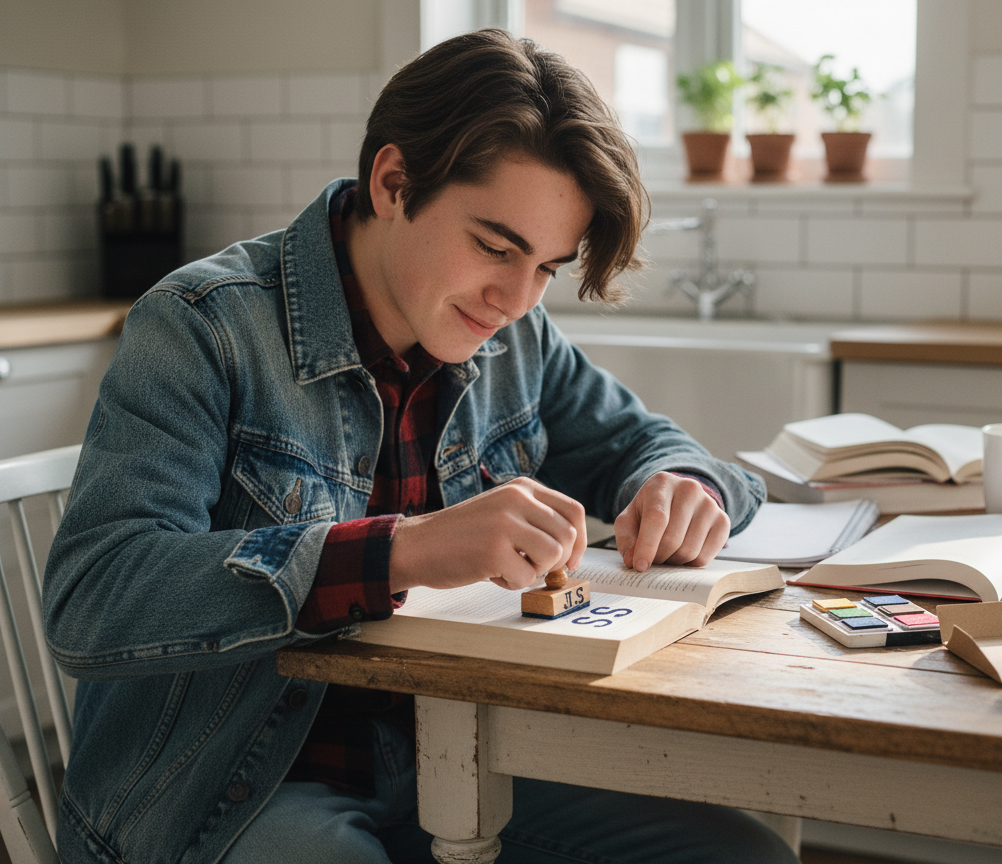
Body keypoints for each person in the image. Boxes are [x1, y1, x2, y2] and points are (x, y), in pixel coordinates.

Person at [44, 28, 795, 864]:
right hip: (228, 787)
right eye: (496, 248)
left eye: (546, 267)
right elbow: (94, 599)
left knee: (747, 855)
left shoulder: (515, 337)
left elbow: (641, 441)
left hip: (451, 745)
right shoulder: (201, 327)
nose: (516, 300)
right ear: (394, 182)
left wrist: (686, 484)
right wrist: (402, 552)